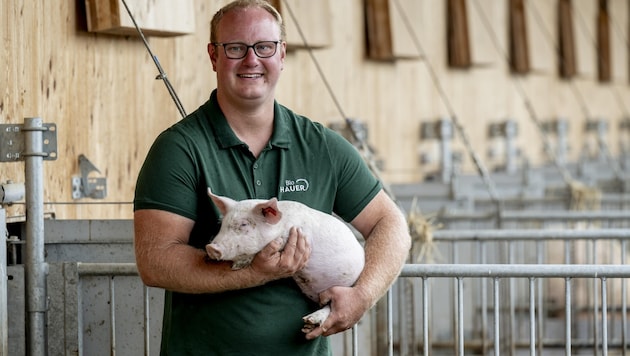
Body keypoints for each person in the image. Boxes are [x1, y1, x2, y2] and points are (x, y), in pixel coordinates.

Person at [133, 0, 411, 354]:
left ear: (281, 55)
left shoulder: (321, 146)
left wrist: (362, 295)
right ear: (213, 56)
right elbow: (156, 261)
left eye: (264, 47)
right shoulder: (179, 149)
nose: (251, 60)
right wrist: (254, 272)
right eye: (235, 48)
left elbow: (390, 224)